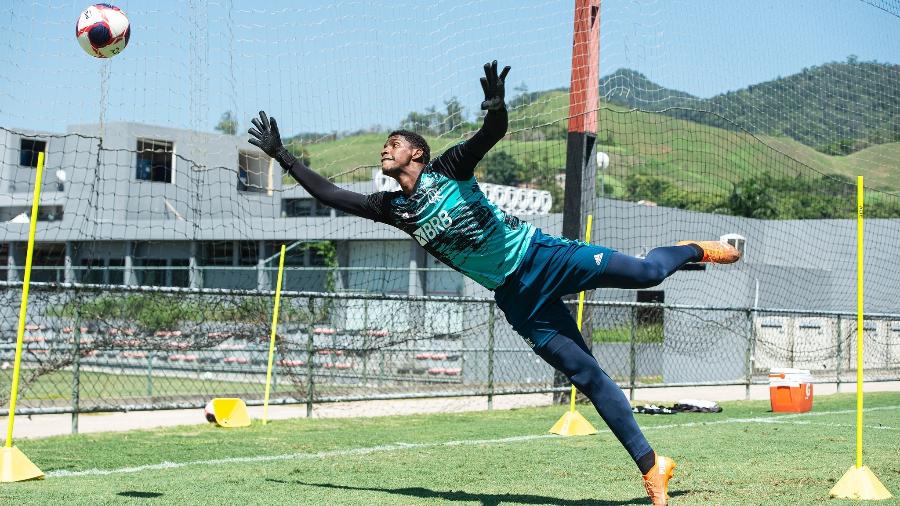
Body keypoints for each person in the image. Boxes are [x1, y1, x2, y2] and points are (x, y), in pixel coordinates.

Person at [248, 60, 740, 506]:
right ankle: (652, 467)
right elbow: (332, 194)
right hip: (516, 297)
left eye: (394, 142)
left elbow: (492, 132)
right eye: (386, 144)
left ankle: (695, 249)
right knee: (586, 375)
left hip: (542, 256)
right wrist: (284, 157)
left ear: (416, 152)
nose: (385, 147)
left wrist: (497, 106)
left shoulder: (449, 170)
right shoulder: (392, 209)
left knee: (648, 274)